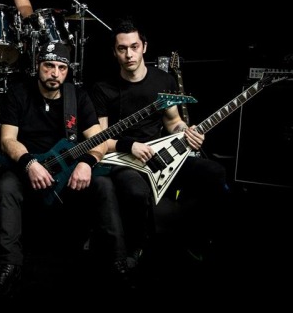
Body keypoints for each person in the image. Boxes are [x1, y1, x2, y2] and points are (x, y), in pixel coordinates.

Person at [0, 41, 129, 298]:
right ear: (38, 65)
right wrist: (29, 163)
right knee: (7, 185)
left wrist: (87, 163)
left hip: (67, 168)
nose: (54, 73)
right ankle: (9, 264)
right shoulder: (18, 93)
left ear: (68, 70)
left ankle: (117, 261)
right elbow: (8, 140)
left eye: (61, 67)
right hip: (28, 165)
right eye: (49, 66)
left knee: (104, 184)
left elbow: (99, 140)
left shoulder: (77, 97)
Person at [89, 17, 230, 268]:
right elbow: (100, 138)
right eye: (122, 48)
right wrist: (129, 145)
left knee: (214, 173)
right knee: (136, 191)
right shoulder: (102, 89)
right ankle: (136, 247)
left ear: (144, 47)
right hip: (124, 159)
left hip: (163, 156)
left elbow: (174, 122)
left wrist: (188, 132)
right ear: (114, 52)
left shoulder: (164, 81)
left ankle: (196, 238)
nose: (129, 54)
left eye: (134, 47)